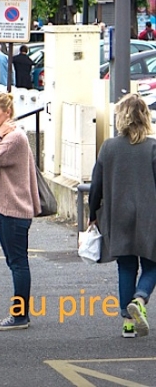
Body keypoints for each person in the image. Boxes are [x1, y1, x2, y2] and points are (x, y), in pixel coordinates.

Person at [88, 93, 156, 338]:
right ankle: (140, 298)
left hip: (118, 214)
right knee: (152, 263)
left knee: (126, 266)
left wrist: (91, 213)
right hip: (150, 216)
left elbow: (96, 184)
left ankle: (128, 324)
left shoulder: (109, 147)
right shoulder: (153, 147)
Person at [0, 91, 40, 330]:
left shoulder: (12, 138)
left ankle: (20, 315)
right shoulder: (7, 136)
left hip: (14, 210)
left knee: (18, 263)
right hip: (6, 208)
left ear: (8, 113)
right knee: (14, 261)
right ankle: (20, 313)